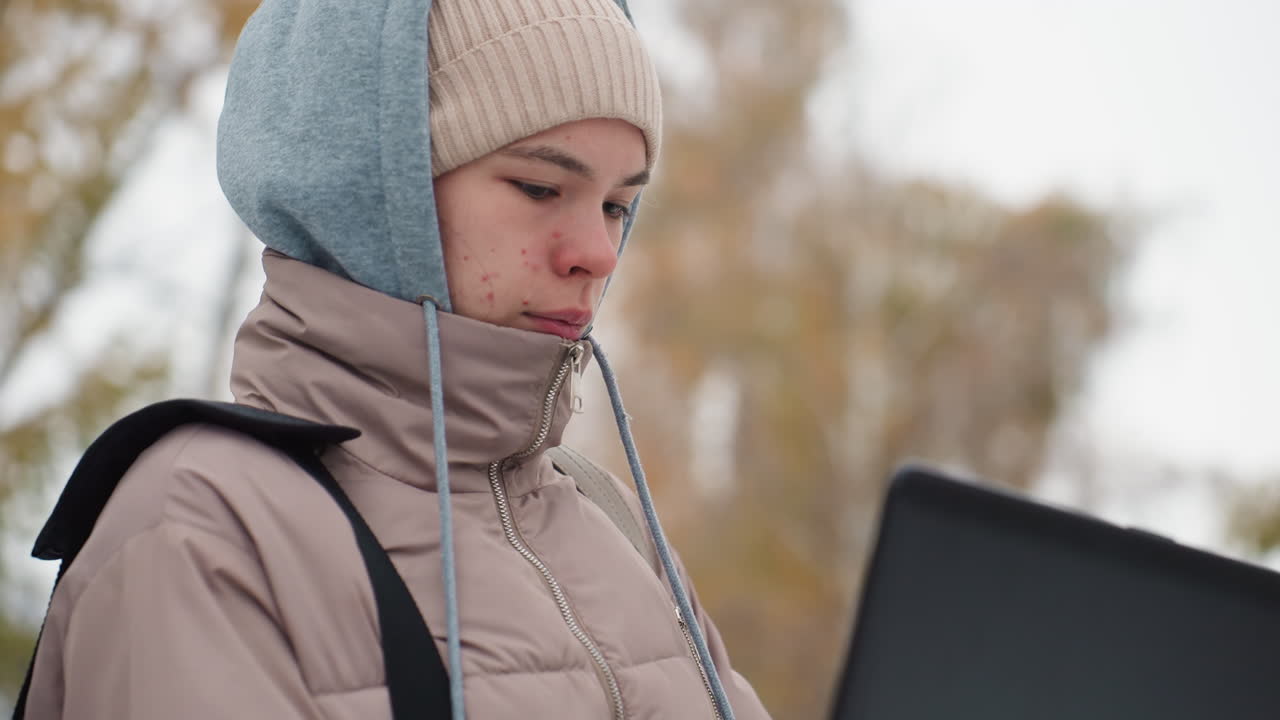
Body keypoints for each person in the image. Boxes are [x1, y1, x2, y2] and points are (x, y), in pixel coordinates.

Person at [23, 0, 772, 718]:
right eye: (541, 187)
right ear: (377, 191)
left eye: (616, 205)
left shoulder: (608, 514)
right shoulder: (207, 523)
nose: (599, 254)